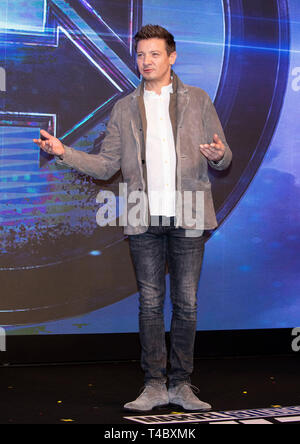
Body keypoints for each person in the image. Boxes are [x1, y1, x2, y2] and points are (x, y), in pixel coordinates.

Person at [33, 24, 232, 412]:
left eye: (154, 54)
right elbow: (107, 165)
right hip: (142, 215)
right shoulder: (124, 107)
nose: (146, 62)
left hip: (188, 212)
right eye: (140, 55)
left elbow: (224, 155)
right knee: (150, 302)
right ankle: (155, 384)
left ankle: (182, 384)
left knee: (187, 303)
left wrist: (218, 155)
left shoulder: (199, 100)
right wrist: (63, 151)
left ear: (171, 57)